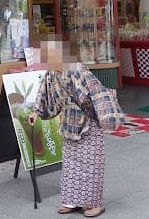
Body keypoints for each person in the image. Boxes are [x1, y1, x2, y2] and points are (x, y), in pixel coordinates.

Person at [26, 37, 125, 218]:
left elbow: (95, 91)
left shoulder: (76, 69)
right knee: (71, 164)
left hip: (89, 122)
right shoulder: (52, 74)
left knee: (91, 164)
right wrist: (37, 113)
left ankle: (94, 203)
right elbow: (46, 96)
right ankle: (72, 201)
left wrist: (103, 116)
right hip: (69, 124)